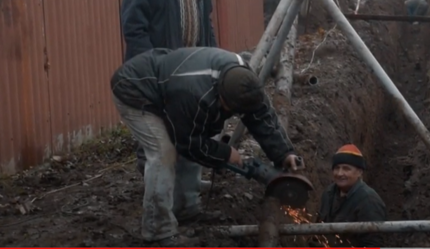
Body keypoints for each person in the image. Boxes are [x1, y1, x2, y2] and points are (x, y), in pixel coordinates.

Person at [111, 47, 304, 246]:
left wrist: (284, 153)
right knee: (164, 153)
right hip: (135, 89)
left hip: (168, 86)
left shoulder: (246, 82)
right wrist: (225, 153)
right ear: (221, 95)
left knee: (194, 134)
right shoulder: (193, 93)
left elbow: (260, 116)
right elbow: (188, 143)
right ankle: (158, 231)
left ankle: (186, 209)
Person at [119, 0, 219, 175]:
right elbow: (133, 25)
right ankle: (155, 191)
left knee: (186, 130)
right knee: (157, 137)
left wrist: (212, 56)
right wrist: (154, 66)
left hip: (190, 70)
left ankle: (186, 192)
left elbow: (206, 19)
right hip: (158, 73)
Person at [317, 144, 387, 248]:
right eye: (337, 168)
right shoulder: (328, 193)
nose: (340, 173)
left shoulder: (369, 201)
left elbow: (373, 244)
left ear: (359, 172)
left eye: (346, 169)